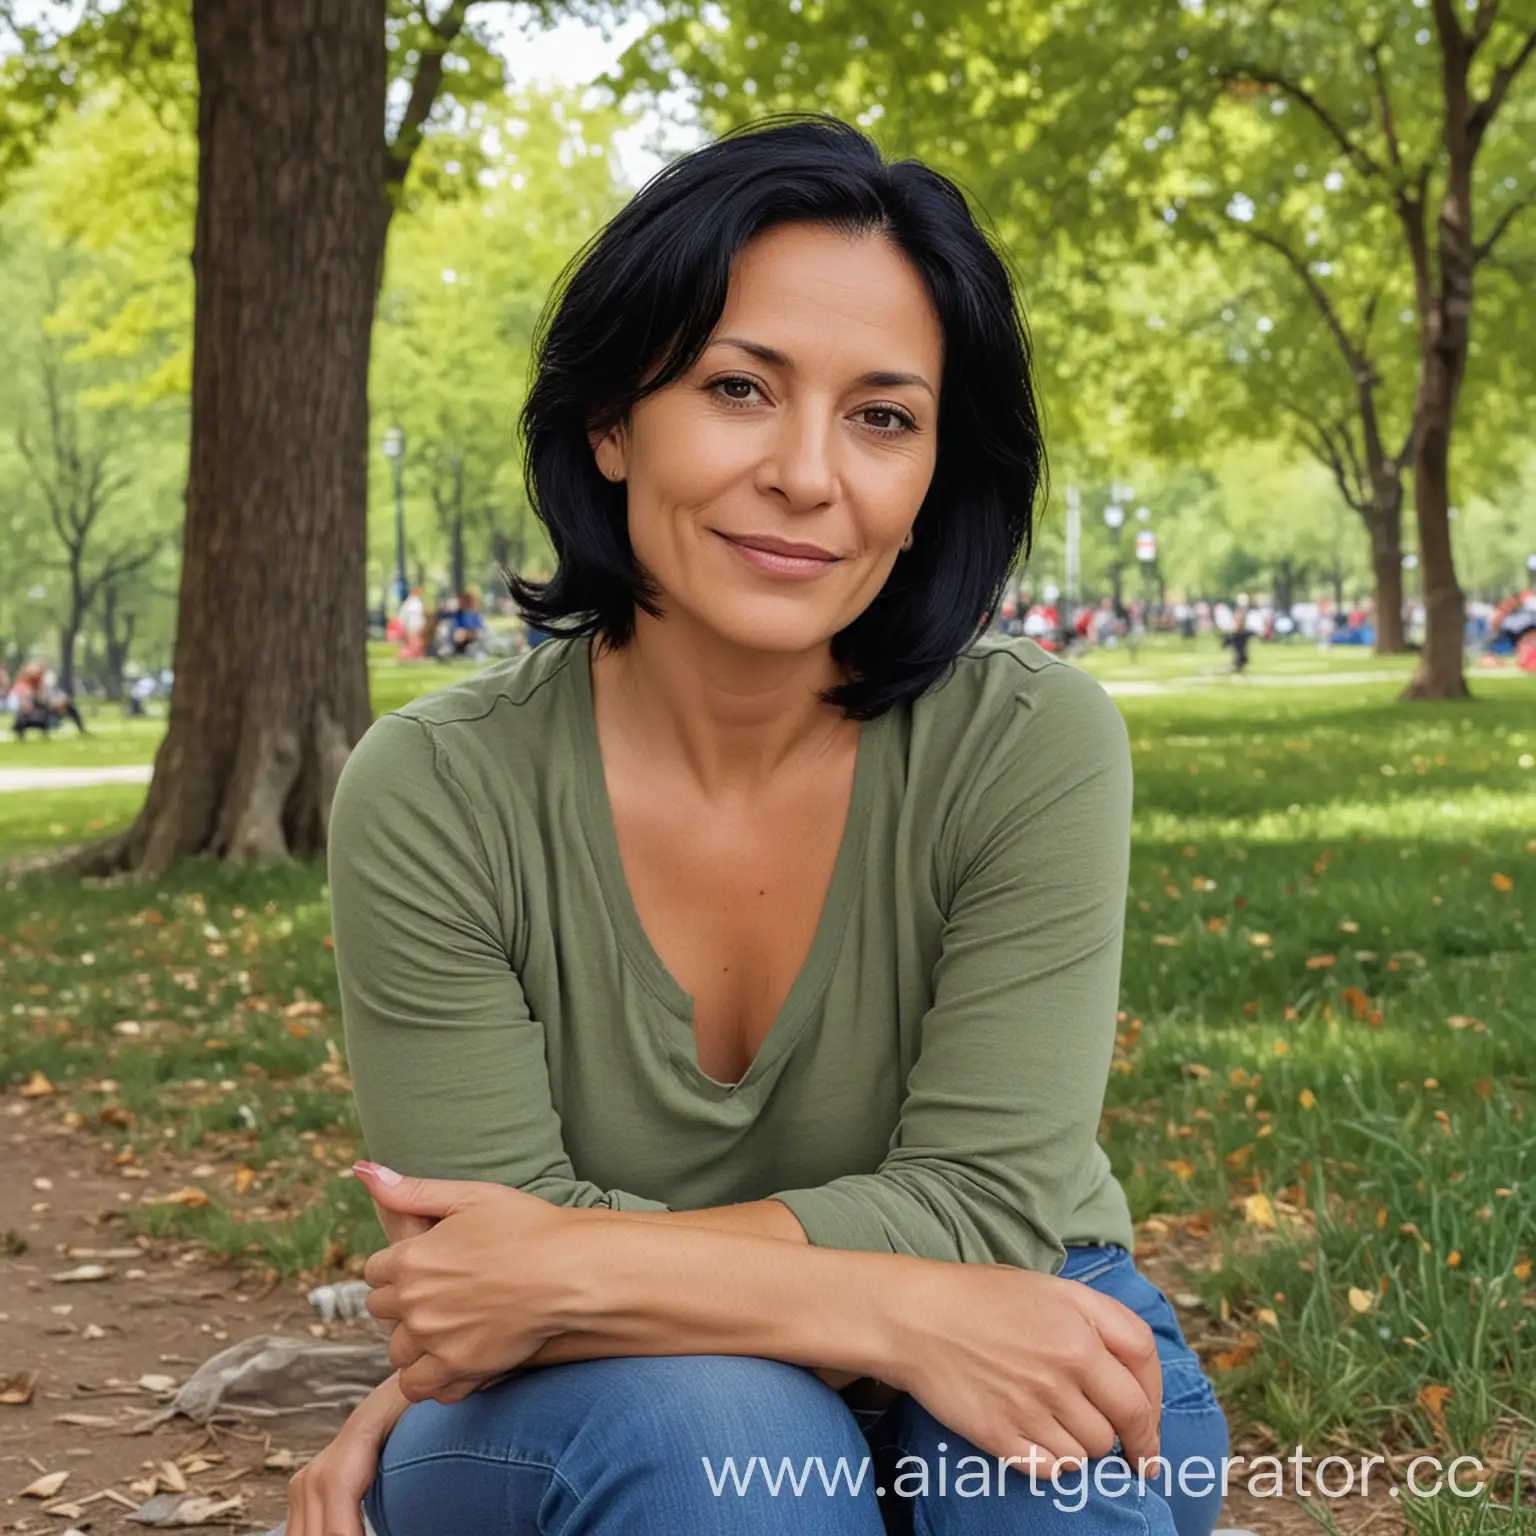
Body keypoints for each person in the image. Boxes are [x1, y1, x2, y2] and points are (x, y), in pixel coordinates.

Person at [289, 118, 1228, 1536]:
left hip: (1026, 1299)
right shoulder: (436, 791)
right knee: (721, 1437)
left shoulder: (1032, 741)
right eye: (740, 388)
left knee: (1042, 1475)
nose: (807, 473)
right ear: (611, 419)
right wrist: (900, 1311)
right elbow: (486, 1267)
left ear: (929, 479)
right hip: (611, 1393)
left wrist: (559, 1277)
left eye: (883, 417)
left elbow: (986, 1203)